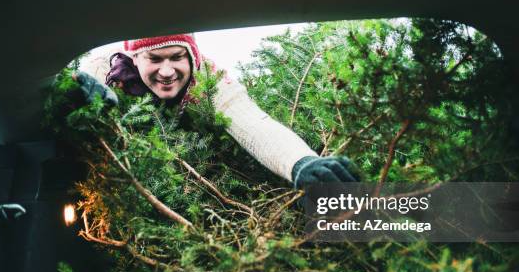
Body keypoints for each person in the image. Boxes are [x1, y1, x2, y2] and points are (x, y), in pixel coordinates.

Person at [73, 33, 357, 188]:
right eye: (155, 59)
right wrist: (90, 95)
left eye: (177, 57)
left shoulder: (209, 80)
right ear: (135, 59)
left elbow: (254, 124)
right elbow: (81, 80)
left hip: (192, 181)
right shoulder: (107, 70)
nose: (167, 71)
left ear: (193, 57)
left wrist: (301, 163)